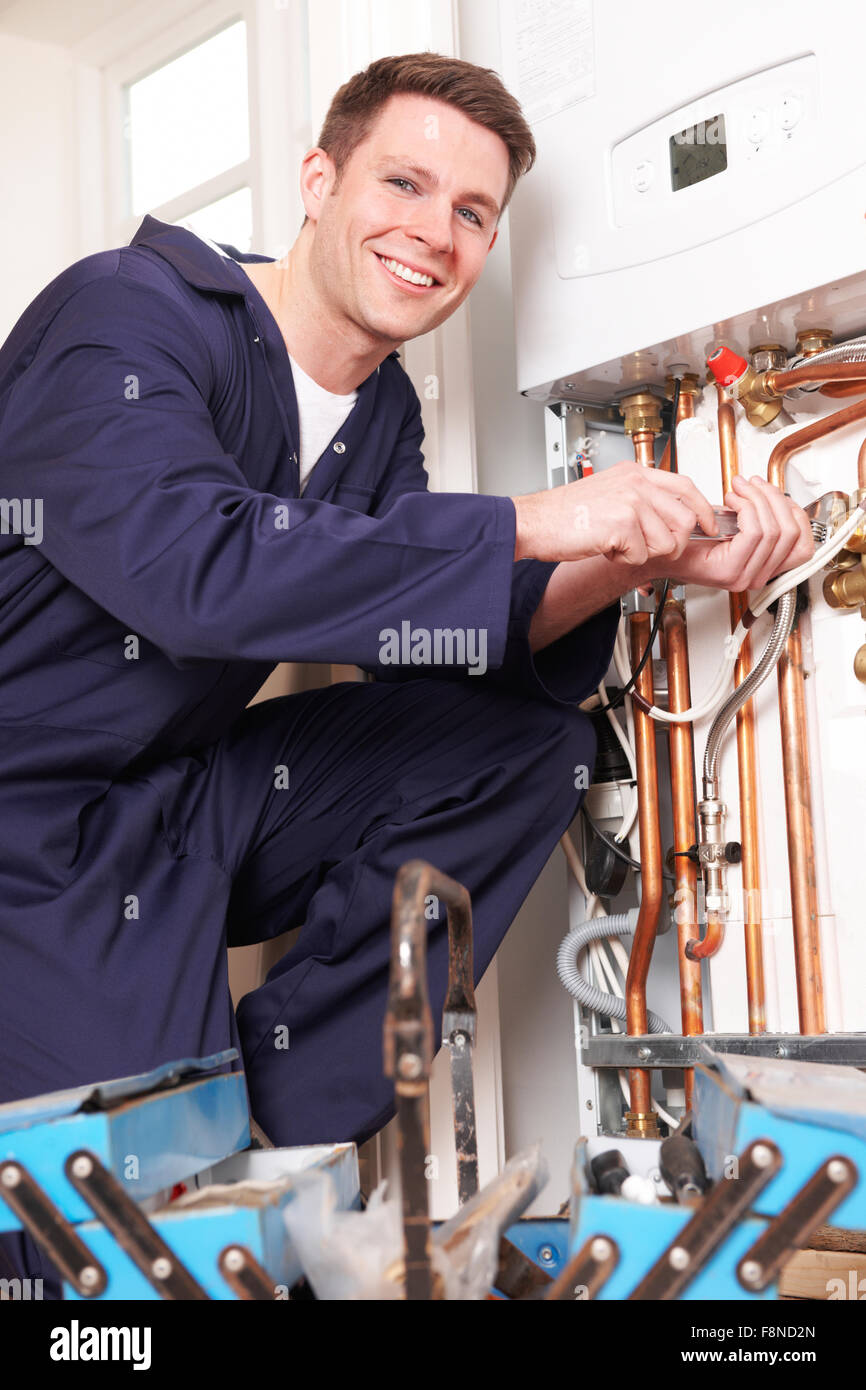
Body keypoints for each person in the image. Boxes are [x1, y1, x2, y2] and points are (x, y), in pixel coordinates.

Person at [0, 53, 812, 1291]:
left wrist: (641, 558)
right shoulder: (125, 313)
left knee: (514, 744)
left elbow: (427, 623)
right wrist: (546, 519)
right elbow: (197, 570)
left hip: (173, 801)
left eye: (471, 213)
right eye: (405, 182)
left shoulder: (374, 416)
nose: (433, 232)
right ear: (319, 180)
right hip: (24, 829)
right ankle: (184, 1146)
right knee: (107, 1229)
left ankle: (278, 1119)